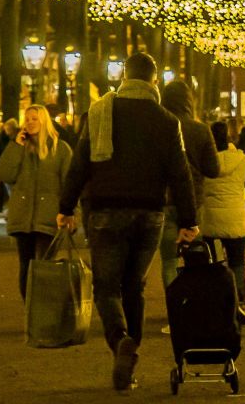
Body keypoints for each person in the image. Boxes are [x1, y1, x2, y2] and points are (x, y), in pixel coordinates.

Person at [56, 53, 198, 393]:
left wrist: (66, 207)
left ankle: (120, 340)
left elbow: (80, 165)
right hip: (150, 214)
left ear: (123, 77)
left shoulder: (101, 112)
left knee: (106, 287)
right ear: (153, 82)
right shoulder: (166, 121)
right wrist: (189, 220)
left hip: (105, 212)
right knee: (134, 286)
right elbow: (180, 175)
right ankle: (130, 353)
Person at [0, 104, 73, 299]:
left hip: (49, 215)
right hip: (23, 215)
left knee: (45, 266)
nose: (29, 122)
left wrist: (71, 212)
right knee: (26, 266)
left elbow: (69, 183)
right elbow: (5, 174)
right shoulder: (19, 147)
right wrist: (15, 146)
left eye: (34, 118)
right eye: (27, 119)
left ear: (44, 121)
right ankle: (31, 311)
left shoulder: (60, 149)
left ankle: (45, 309)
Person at [159, 79, 220, 291]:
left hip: (164, 200)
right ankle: (196, 307)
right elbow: (213, 169)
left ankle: (175, 313)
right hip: (194, 202)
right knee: (196, 257)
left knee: (169, 261)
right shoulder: (200, 130)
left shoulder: (159, 127)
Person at [199, 121, 245, 308]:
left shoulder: (204, 162)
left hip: (210, 222)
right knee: (236, 261)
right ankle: (236, 302)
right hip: (236, 221)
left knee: (213, 263)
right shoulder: (242, 161)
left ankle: (214, 300)